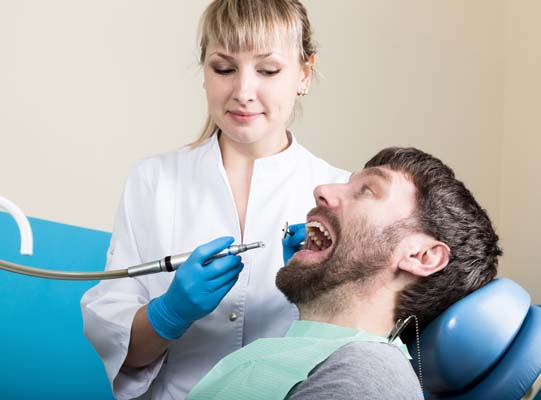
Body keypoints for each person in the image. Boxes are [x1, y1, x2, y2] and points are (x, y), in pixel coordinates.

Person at [80, 0, 349, 398]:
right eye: (224, 68)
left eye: (268, 70)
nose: (243, 92)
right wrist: (170, 313)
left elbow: (355, 352)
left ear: (304, 74)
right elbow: (124, 353)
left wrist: (315, 296)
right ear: (204, 71)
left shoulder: (339, 192)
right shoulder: (153, 180)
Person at [186, 147, 502, 400]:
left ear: (421, 256)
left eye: (368, 190)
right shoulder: (310, 355)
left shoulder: (367, 375)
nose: (321, 190)